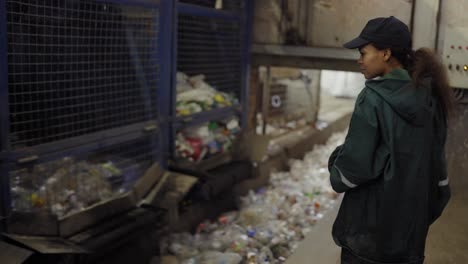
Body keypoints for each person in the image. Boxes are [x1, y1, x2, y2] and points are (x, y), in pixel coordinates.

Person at [328, 16, 453, 264]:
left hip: (367, 238)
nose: (360, 60)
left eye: (364, 53)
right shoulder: (432, 97)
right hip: (409, 243)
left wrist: (335, 162)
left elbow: (350, 172)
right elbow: (440, 181)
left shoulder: (372, 98)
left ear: (385, 53)